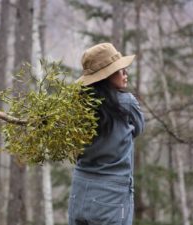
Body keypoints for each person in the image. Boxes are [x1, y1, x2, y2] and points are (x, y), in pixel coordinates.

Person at [68, 43, 145, 225]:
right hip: (111, 196)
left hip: (79, 191)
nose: (125, 74)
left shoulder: (78, 106)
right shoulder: (126, 103)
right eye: (120, 70)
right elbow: (139, 128)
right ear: (107, 76)